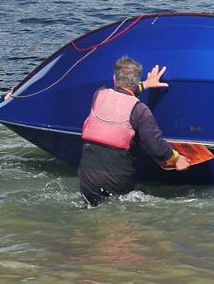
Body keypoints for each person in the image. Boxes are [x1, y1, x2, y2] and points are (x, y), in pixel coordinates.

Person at [78, 56, 189, 207]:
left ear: (114, 78)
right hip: (116, 178)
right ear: (136, 81)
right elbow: (156, 148)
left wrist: (145, 85)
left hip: (87, 175)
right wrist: (177, 158)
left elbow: (121, 95)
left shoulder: (98, 95)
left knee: (91, 210)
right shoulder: (140, 110)